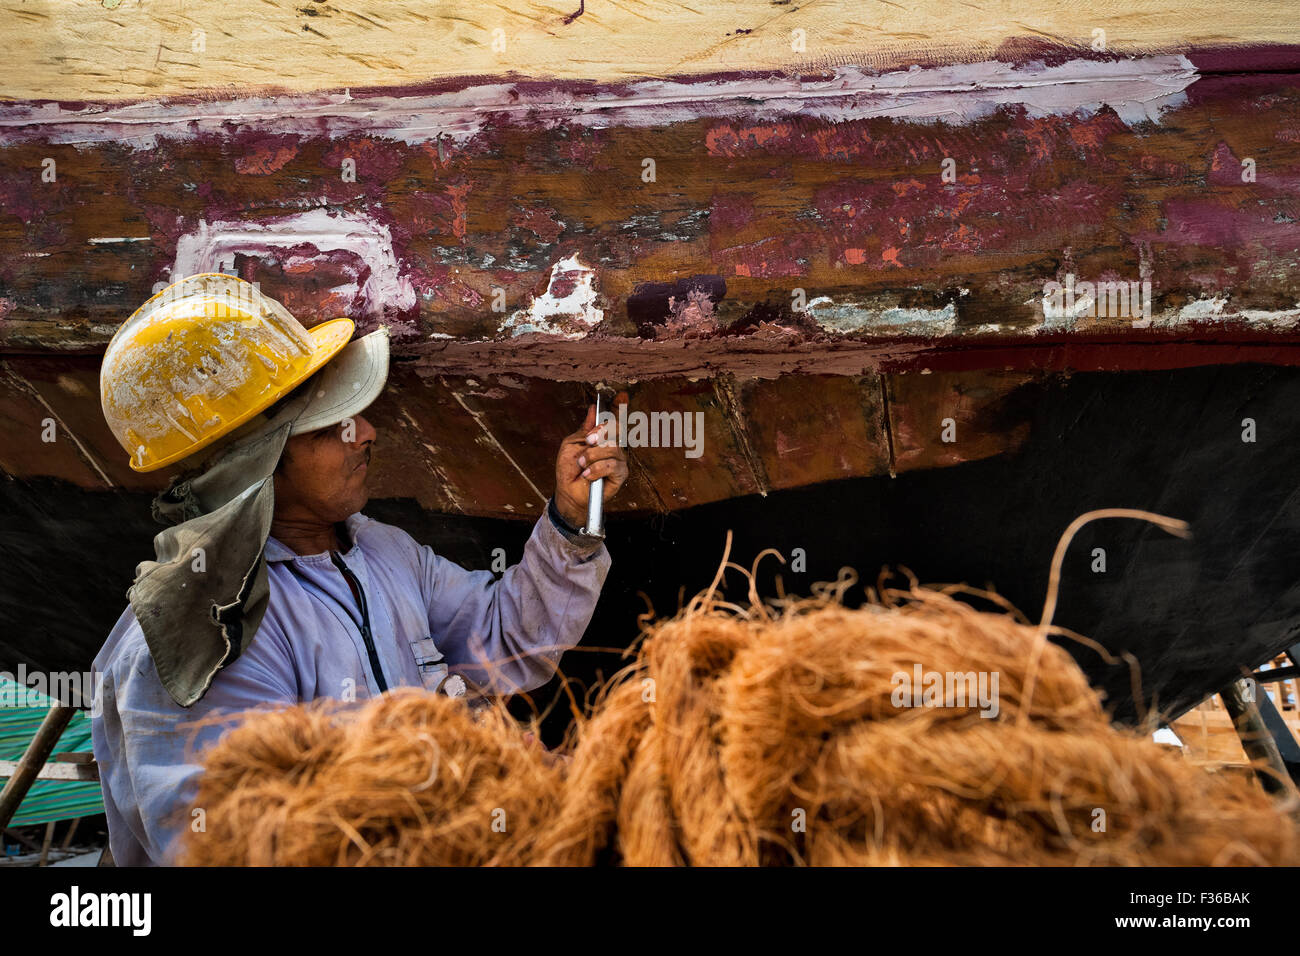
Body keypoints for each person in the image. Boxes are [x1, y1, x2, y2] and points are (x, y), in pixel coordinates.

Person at [90, 274, 627, 865]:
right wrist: (474, 791)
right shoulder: (201, 637)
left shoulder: (381, 553)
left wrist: (571, 520)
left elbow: (510, 641)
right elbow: (238, 849)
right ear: (258, 464)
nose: (367, 432)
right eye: (331, 426)